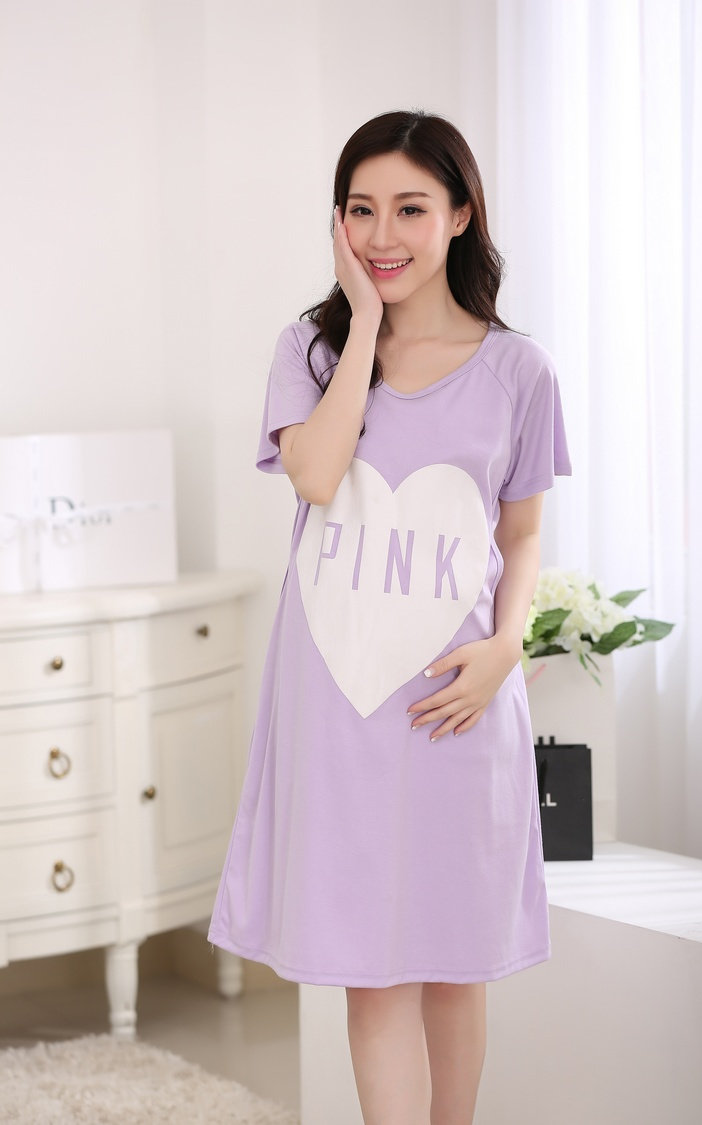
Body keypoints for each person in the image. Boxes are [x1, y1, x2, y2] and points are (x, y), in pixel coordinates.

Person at [208, 108, 571, 1124]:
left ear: (460, 215)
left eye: (410, 208)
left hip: (458, 698)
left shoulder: (520, 371)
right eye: (360, 210)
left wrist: (505, 649)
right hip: (340, 704)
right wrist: (365, 325)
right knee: (373, 971)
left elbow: (523, 535)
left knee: (457, 964)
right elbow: (317, 477)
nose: (382, 234)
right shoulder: (311, 348)